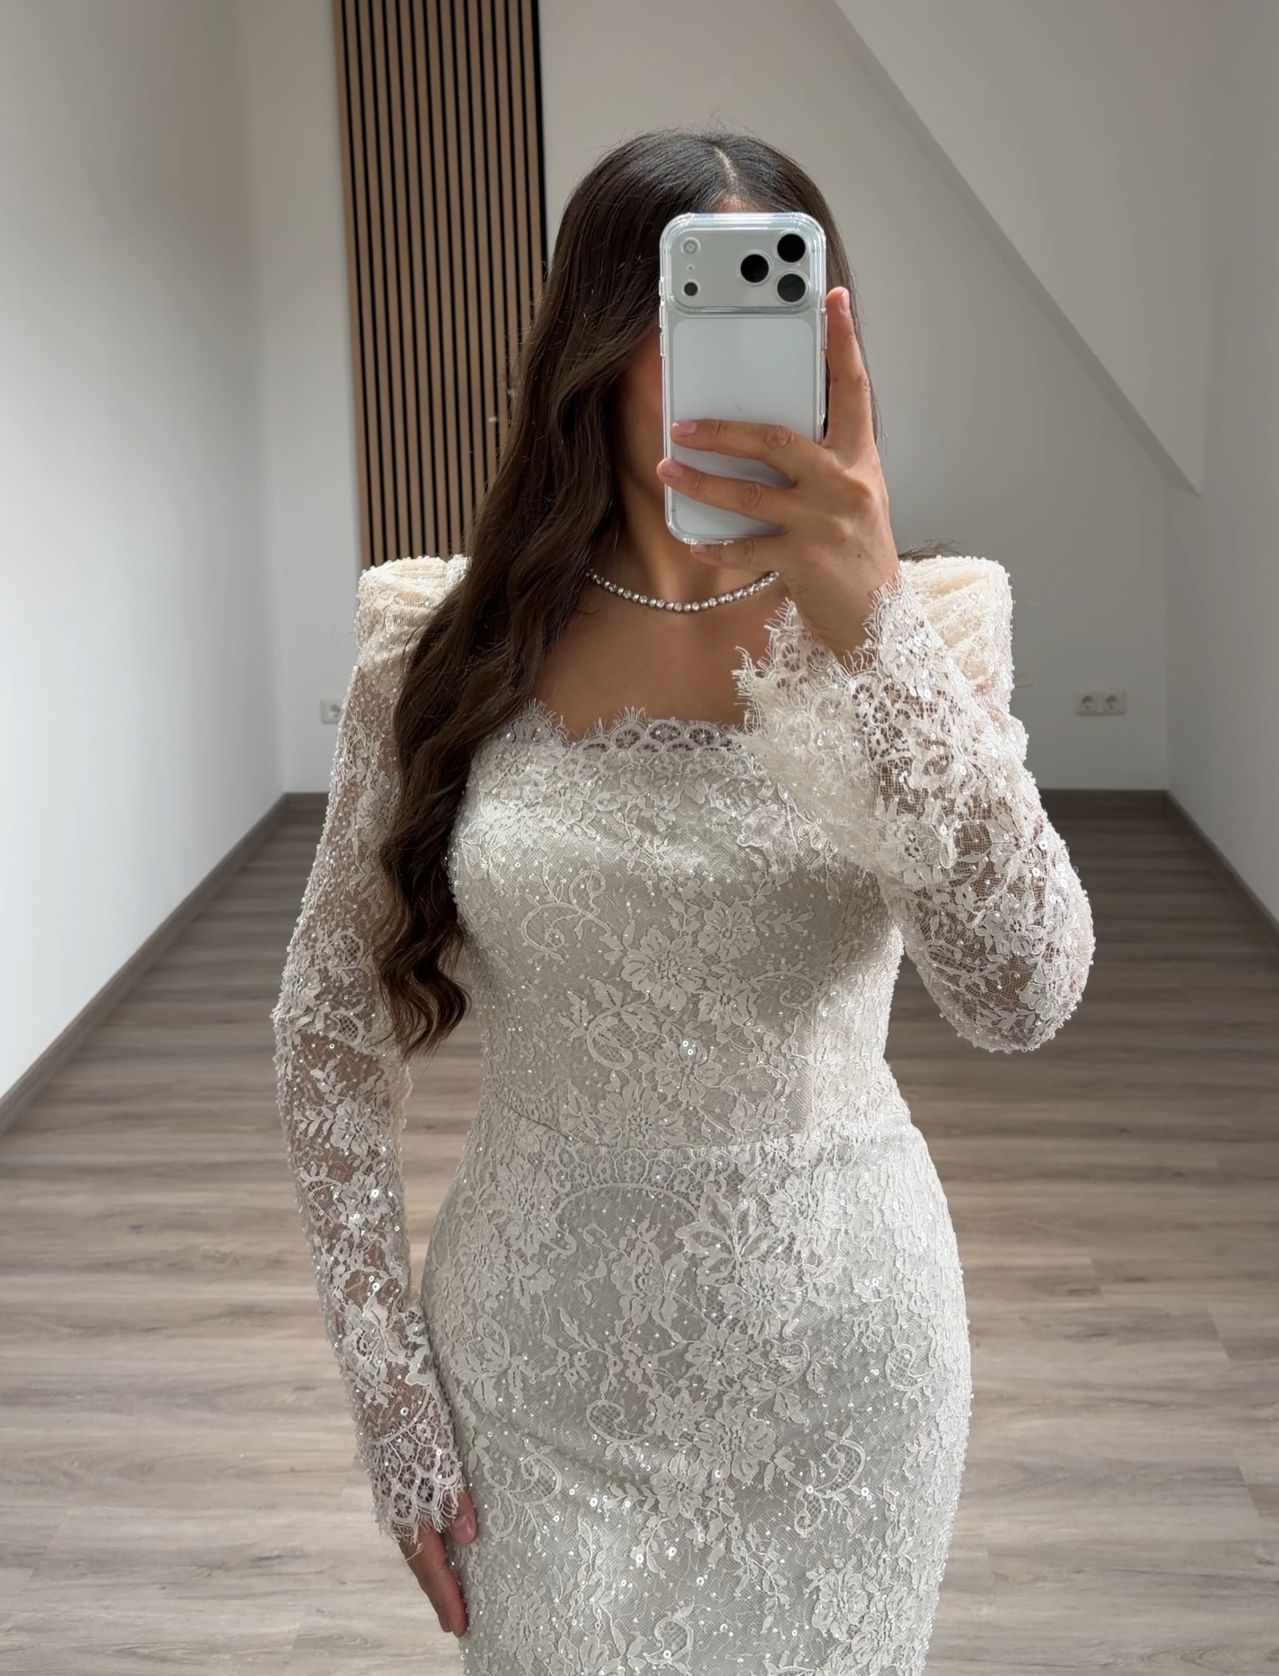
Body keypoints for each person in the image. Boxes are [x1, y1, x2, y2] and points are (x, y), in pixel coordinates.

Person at [270, 128, 1094, 1673]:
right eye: (682, 307)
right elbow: (326, 1024)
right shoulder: (440, 644)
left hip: (846, 1375)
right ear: (593, 342)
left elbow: (1023, 994)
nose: (724, 359)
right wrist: (388, 1397)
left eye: (773, 306)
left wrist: (872, 633)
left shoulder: (931, 626)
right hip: (537, 1371)